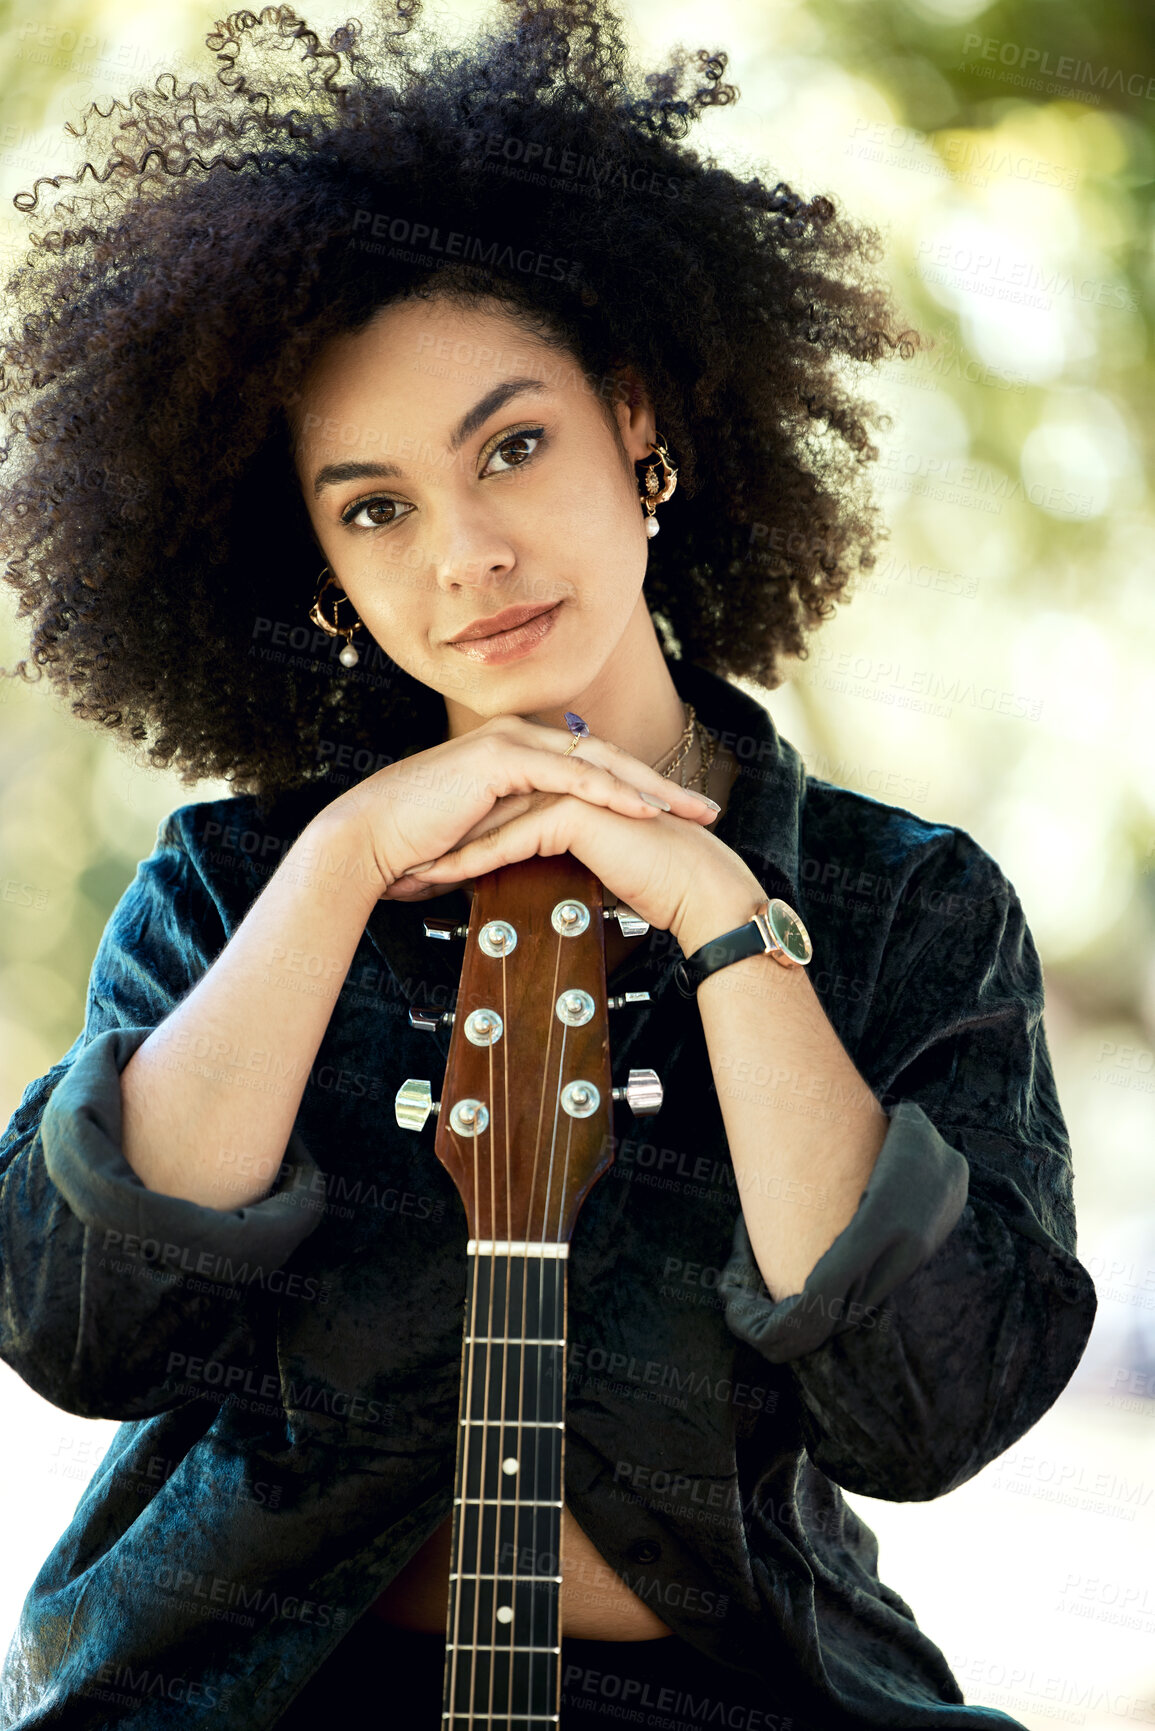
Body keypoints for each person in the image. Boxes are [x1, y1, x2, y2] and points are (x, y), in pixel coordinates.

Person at [0, 3, 1097, 1727]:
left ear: (637, 424)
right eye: (375, 508)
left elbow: (929, 1412)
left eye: (512, 446)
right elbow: (77, 1327)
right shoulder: (237, 887)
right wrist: (347, 856)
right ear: (314, 562)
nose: (470, 557)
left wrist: (734, 926)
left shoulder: (906, 908)